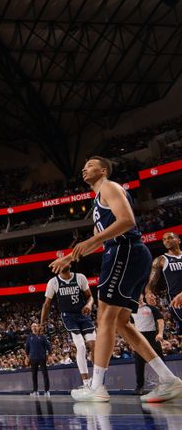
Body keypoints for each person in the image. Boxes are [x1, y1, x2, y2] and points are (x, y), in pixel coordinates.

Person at [50, 156, 182, 403]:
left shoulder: (109, 187)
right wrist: (69, 258)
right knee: (122, 322)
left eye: (89, 165)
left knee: (105, 316)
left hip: (125, 249)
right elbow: (95, 241)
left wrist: (91, 241)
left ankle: (97, 387)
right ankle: (168, 380)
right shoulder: (99, 203)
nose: (83, 169)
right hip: (128, 253)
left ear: (103, 170)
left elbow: (128, 221)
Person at [40, 265, 96, 387]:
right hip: (69, 316)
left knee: (94, 346)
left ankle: (97, 380)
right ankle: (86, 382)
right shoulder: (53, 282)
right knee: (81, 347)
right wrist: (42, 323)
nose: (64, 263)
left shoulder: (80, 277)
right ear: (57, 268)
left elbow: (90, 297)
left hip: (83, 313)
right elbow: (46, 304)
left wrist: (89, 305)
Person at [145, 232, 182, 332]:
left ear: (179, 240)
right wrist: (148, 293)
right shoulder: (160, 260)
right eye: (164, 239)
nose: (166, 241)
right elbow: (152, 282)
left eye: (170, 238)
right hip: (175, 299)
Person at [132, 293, 165, 395]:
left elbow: (160, 321)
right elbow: (131, 327)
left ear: (142, 296)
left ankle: (165, 383)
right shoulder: (131, 311)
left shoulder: (151, 308)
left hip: (152, 336)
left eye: (139, 295)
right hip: (139, 338)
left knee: (160, 361)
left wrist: (160, 333)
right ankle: (139, 387)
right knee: (139, 364)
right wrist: (132, 342)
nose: (138, 297)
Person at [25, 323, 50, 396]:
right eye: (32, 326)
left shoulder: (42, 336)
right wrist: (27, 357)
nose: (34, 327)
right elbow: (27, 348)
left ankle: (47, 391)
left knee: (45, 374)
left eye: (35, 326)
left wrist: (50, 355)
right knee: (34, 375)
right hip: (33, 359)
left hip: (42, 357)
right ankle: (35, 391)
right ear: (31, 328)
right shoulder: (29, 337)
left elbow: (48, 346)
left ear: (38, 327)